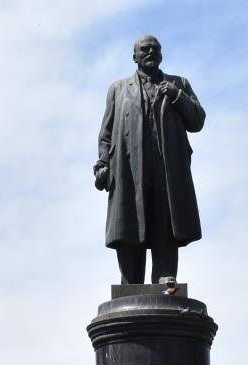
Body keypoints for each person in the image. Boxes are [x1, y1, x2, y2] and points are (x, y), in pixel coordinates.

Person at [94, 35, 205, 285]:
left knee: (165, 220)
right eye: (145, 49)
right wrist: (103, 164)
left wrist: (177, 95)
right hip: (129, 169)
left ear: (162, 55)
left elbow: (197, 121)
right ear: (134, 56)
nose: (151, 52)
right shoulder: (118, 89)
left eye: (155, 49)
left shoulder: (178, 84)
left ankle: (165, 276)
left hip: (167, 169)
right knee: (130, 221)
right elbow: (106, 133)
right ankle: (130, 283)